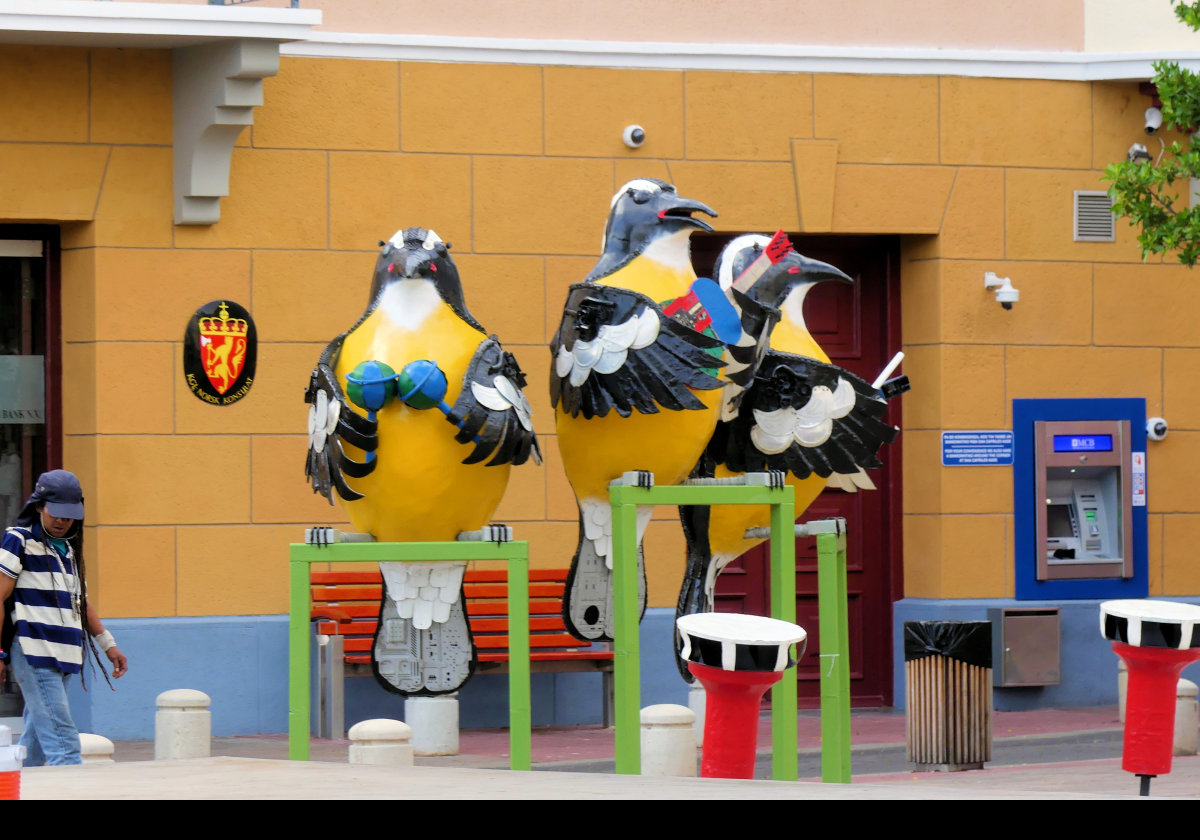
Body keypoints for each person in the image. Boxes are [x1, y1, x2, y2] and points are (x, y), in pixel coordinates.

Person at [0, 470, 128, 766]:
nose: (62, 521)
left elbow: (81, 603)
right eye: (55, 513)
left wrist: (109, 645)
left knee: (35, 747)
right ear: (38, 507)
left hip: (67, 655)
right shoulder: (17, 540)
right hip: (35, 653)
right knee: (64, 745)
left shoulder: (68, 550)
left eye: (69, 516)